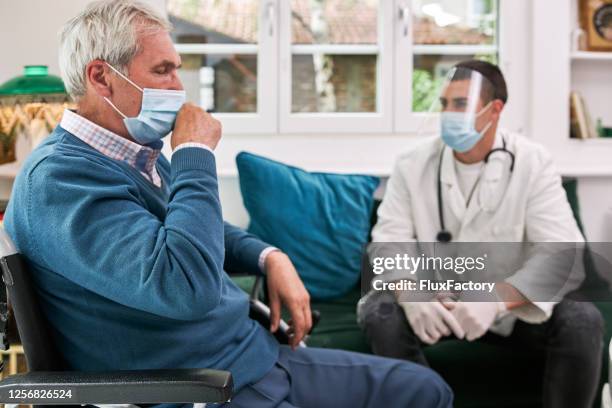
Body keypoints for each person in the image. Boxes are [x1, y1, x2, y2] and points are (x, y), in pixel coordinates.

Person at [3, 1, 452, 407]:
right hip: (202, 388)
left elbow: (191, 227)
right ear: (101, 77)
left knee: (426, 391)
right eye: (163, 71)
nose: (178, 88)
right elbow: (184, 286)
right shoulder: (61, 180)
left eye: (177, 69)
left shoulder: (131, 154)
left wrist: (267, 255)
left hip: (257, 358)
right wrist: (195, 155)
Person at [357, 60, 604, 408]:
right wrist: (411, 295)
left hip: (511, 313)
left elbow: (563, 255)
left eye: (460, 105)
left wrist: (496, 300)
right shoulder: (412, 164)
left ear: (495, 110)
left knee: (583, 318)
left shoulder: (533, 163)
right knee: (376, 308)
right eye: (444, 104)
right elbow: (388, 244)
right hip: (436, 308)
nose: (447, 114)